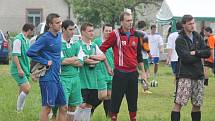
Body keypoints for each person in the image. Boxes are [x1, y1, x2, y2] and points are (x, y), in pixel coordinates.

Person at [100, 12, 146, 121]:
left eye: (131, 20)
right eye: (127, 21)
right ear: (121, 22)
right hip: (120, 74)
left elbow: (139, 55)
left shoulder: (136, 35)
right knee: (115, 102)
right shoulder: (115, 34)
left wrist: (143, 72)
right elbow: (102, 49)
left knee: (133, 102)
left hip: (133, 74)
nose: (130, 23)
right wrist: (107, 66)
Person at [27, 13, 67, 121]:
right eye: (57, 23)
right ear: (50, 24)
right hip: (47, 78)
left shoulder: (59, 35)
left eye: (60, 22)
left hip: (57, 77)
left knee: (63, 107)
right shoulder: (44, 38)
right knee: (47, 108)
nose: (60, 24)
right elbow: (30, 52)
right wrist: (45, 61)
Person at [171, 15, 210, 121]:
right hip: (185, 75)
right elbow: (186, 58)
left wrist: (195, 52)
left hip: (198, 75)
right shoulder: (180, 40)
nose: (193, 25)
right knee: (179, 103)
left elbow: (207, 52)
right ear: (184, 25)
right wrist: (199, 55)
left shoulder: (198, 36)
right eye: (190, 24)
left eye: (193, 23)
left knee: (197, 105)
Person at [51, 20, 84, 121]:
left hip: (75, 78)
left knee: (72, 107)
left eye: (73, 29)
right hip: (62, 78)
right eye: (70, 29)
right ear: (63, 29)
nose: (73, 32)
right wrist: (74, 58)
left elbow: (81, 62)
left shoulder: (76, 44)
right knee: (63, 107)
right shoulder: (58, 43)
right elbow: (61, 61)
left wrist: (69, 60)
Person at [74, 22, 106, 121]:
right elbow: (85, 60)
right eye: (90, 31)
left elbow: (103, 56)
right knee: (81, 105)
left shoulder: (94, 45)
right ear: (83, 32)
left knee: (89, 106)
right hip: (81, 81)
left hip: (93, 83)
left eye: (92, 31)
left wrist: (93, 57)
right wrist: (95, 60)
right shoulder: (78, 45)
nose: (92, 33)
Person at [10, 23, 34, 112]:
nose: (33, 33)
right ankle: (19, 110)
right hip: (18, 69)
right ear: (29, 30)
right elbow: (15, 55)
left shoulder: (26, 40)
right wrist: (19, 69)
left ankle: (19, 111)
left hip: (25, 68)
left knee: (22, 90)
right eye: (33, 31)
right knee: (27, 89)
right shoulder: (18, 40)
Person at [91, 24, 114, 117]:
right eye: (106, 30)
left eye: (110, 31)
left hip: (111, 72)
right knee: (103, 95)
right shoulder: (97, 41)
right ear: (102, 31)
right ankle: (90, 107)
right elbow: (92, 54)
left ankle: (108, 116)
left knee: (109, 95)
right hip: (100, 71)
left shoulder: (114, 43)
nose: (108, 32)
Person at [166, 21, 183, 96]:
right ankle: (180, 91)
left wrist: (168, 58)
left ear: (175, 27)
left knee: (176, 75)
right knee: (182, 76)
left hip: (174, 59)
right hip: (183, 58)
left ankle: (177, 91)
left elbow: (170, 48)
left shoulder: (172, 35)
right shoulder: (185, 35)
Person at [137, 20, 152, 94]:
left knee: (141, 72)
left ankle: (143, 85)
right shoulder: (144, 34)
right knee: (145, 73)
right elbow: (145, 45)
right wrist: (149, 53)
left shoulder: (134, 33)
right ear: (145, 26)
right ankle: (145, 89)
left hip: (135, 55)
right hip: (143, 56)